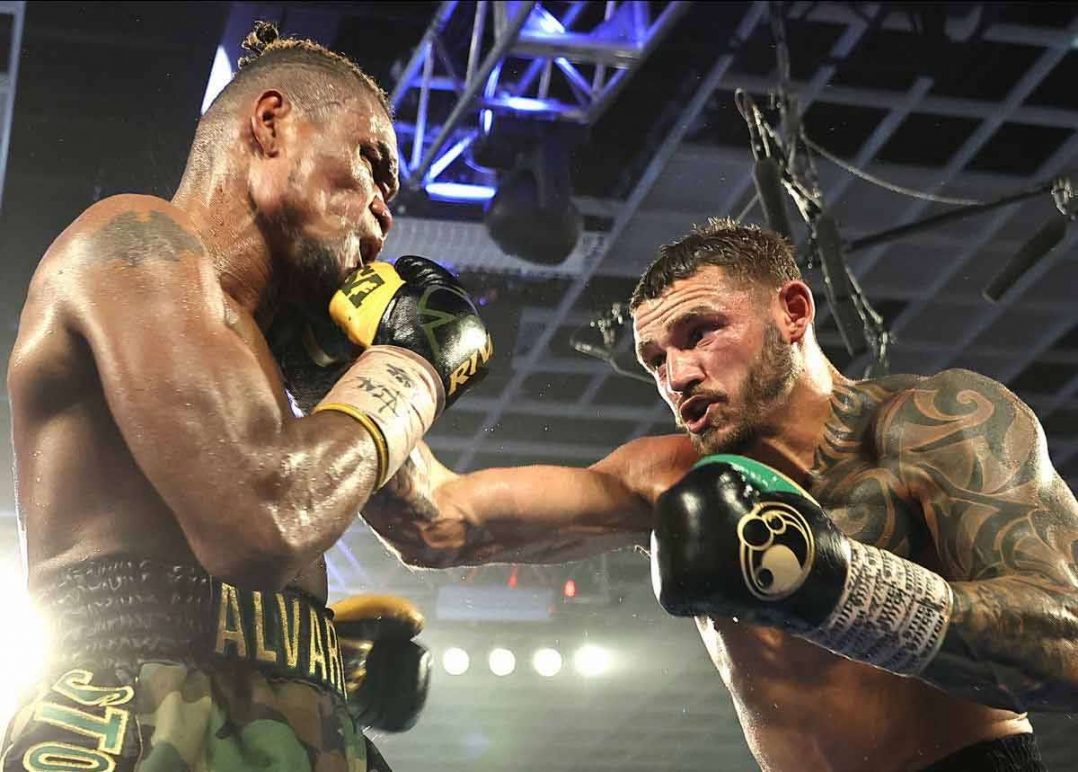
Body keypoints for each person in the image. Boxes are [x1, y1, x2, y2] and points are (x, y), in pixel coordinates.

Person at [362, 217, 1078, 771]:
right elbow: (437, 523)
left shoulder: (939, 425)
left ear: (792, 312)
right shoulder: (661, 477)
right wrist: (370, 365)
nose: (677, 374)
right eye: (655, 359)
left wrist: (837, 586)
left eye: (699, 332)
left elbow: (1068, 642)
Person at [2, 22, 491, 772]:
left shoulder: (281, 356)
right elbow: (262, 518)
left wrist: (656, 490)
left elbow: (441, 522)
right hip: (137, 705)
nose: (384, 210)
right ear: (271, 124)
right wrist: (417, 364)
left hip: (306, 715)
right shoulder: (134, 242)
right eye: (373, 164)